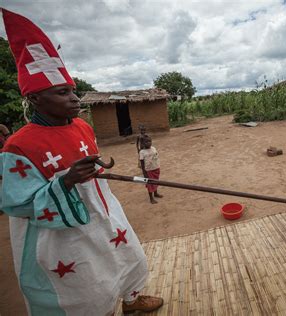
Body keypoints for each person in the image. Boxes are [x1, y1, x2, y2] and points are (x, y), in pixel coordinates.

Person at [0, 8, 163, 315]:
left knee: (129, 258)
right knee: (89, 285)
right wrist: (66, 181)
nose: (75, 99)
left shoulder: (83, 127)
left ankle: (131, 299)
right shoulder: (18, 145)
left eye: (73, 91)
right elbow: (17, 204)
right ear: (35, 99)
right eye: (63, 92)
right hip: (65, 234)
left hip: (105, 212)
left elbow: (88, 160)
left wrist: (100, 165)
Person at [139, 134, 163, 204]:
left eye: (150, 141)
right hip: (149, 170)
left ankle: (155, 193)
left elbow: (156, 157)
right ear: (143, 143)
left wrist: (158, 166)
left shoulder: (153, 148)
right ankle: (151, 198)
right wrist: (144, 173)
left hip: (156, 168)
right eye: (146, 142)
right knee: (150, 184)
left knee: (156, 181)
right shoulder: (142, 152)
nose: (149, 143)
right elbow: (142, 163)